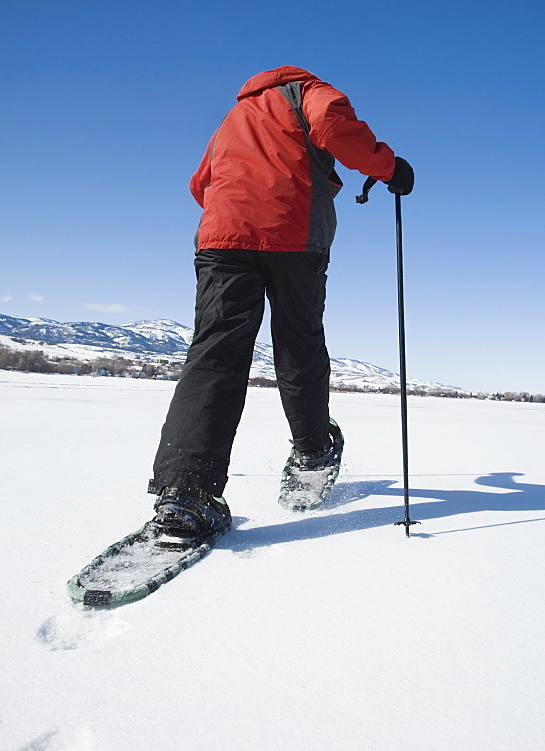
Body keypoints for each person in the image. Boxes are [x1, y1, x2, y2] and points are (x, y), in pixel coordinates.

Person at [146, 65, 414, 547]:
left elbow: (198, 183)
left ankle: (184, 494)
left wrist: (240, 204)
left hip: (222, 241)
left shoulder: (235, 114)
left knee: (214, 356)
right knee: (298, 344)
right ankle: (312, 454)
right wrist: (390, 168)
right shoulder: (311, 91)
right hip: (294, 237)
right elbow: (335, 128)